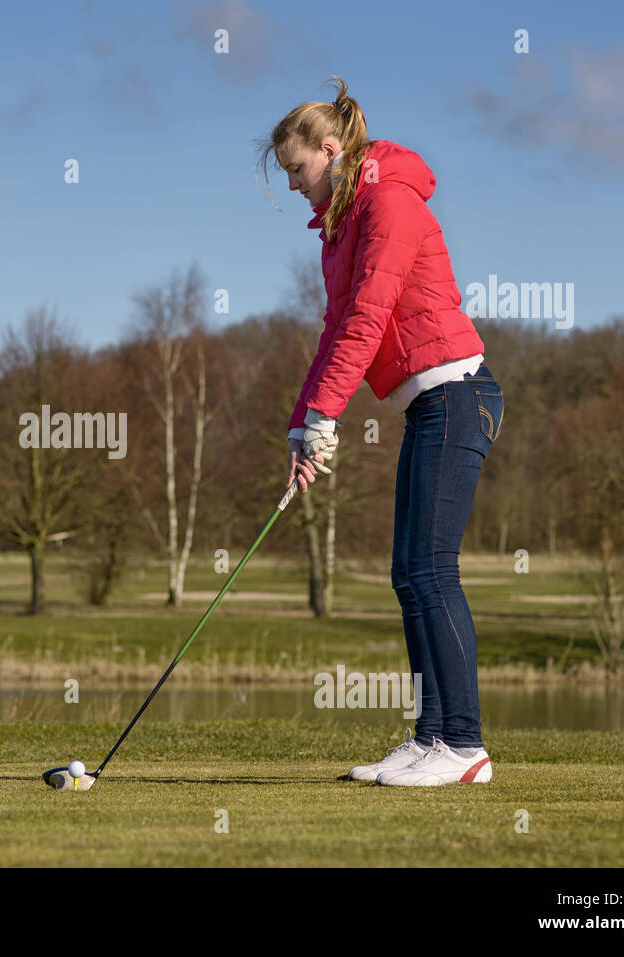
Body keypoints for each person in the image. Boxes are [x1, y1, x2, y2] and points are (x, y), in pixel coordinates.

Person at [259, 77, 503, 786]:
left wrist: (328, 415)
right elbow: (336, 330)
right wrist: (303, 426)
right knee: (408, 573)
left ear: (330, 151)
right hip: (428, 405)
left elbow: (370, 317)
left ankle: (464, 746)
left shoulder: (389, 202)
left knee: (431, 570)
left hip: (458, 396)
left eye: (297, 170)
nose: (294, 186)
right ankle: (431, 738)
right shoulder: (341, 224)